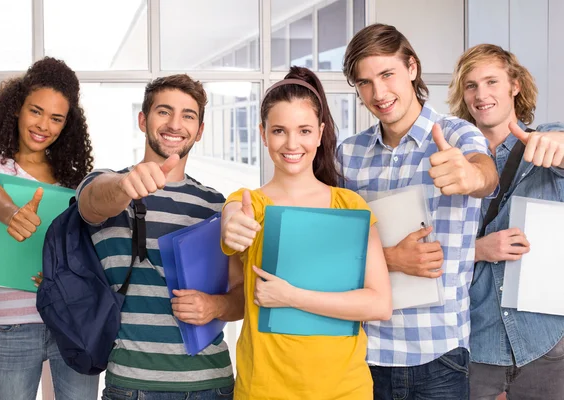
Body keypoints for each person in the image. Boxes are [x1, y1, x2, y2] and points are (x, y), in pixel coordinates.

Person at [337, 24, 500, 399]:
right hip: (365, 354)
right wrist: (390, 258)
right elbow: (337, 247)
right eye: (364, 82)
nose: (378, 93)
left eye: (387, 74)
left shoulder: (458, 136)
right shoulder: (348, 155)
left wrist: (471, 174)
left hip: (439, 355)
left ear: (412, 67)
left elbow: (484, 174)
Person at [220, 66, 393, 400]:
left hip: (345, 388)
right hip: (264, 390)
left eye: (303, 130)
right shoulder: (248, 205)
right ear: (263, 133)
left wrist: (291, 297)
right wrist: (232, 227)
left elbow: (379, 303)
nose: (292, 143)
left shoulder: (350, 206)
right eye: (279, 131)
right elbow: (232, 224)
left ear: (320, 132)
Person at [76, 74, 243, 400]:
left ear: (199, 130)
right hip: (132, 386)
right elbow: (92, 201)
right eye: (164, 111)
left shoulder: (216, 205)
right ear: (143, 120)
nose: (175, 124)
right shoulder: (107, 184)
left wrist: (215, 304)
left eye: (188, 115)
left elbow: (239, 297)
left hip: (211, 384)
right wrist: (125, 185)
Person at [0, 57, 98, 399]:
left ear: (67, 125)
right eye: (35, 111)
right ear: (16, 108)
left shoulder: (76, 183)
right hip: (12, 328)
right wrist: (9, 212)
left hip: (72, 323)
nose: (44, 125)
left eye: (56, 118)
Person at [448, 43, 564, 400]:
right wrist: (477, 250)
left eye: (491, 81)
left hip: (547, 342)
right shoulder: (451, 162)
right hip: (475, 345)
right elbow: (427, 251)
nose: (481, 95)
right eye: (471, 85)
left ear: (514, 85)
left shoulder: (546, 140)